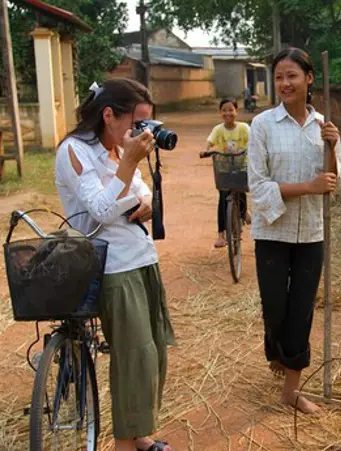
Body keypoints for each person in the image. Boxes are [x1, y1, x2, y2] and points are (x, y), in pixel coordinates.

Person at [54, 78, 175, 451]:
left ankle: (139, 434)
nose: (143, 133)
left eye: (147, 125)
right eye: (137, 123)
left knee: (153, 352)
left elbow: (140, 191)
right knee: (134, 357)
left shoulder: (116, 150)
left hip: (141, 257)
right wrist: (128, 162)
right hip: (110, 265)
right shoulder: (75, 151)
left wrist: (147, 200)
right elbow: (101, 211)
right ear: (108, 115)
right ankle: (124, 443)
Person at [247, 47, 341, 414]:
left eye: (292, 76)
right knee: (275, 308)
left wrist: (332, 147)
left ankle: (291, 389)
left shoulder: (325, 127)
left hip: (311, 234)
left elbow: (334, 181)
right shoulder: (262, 125)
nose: (285, 83)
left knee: (301, 310)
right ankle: (278, 349)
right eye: (280, 77)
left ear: (309, 78)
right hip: (273, 232)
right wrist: (308, 187)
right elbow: (259, 186)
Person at [203, 98, 251, 248]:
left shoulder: (243, 128)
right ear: (220, 112)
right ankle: (221, 235)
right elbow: (209, 142)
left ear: (236, 111)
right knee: (223, 198)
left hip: (240, 165)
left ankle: (243, 212)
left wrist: (253, 149)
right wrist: (206, 150)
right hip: (223, 168)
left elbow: (253, 140)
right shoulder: (218, 130)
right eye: (224, 110)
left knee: (241, 189)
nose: (227, 113)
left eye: (231, 109)